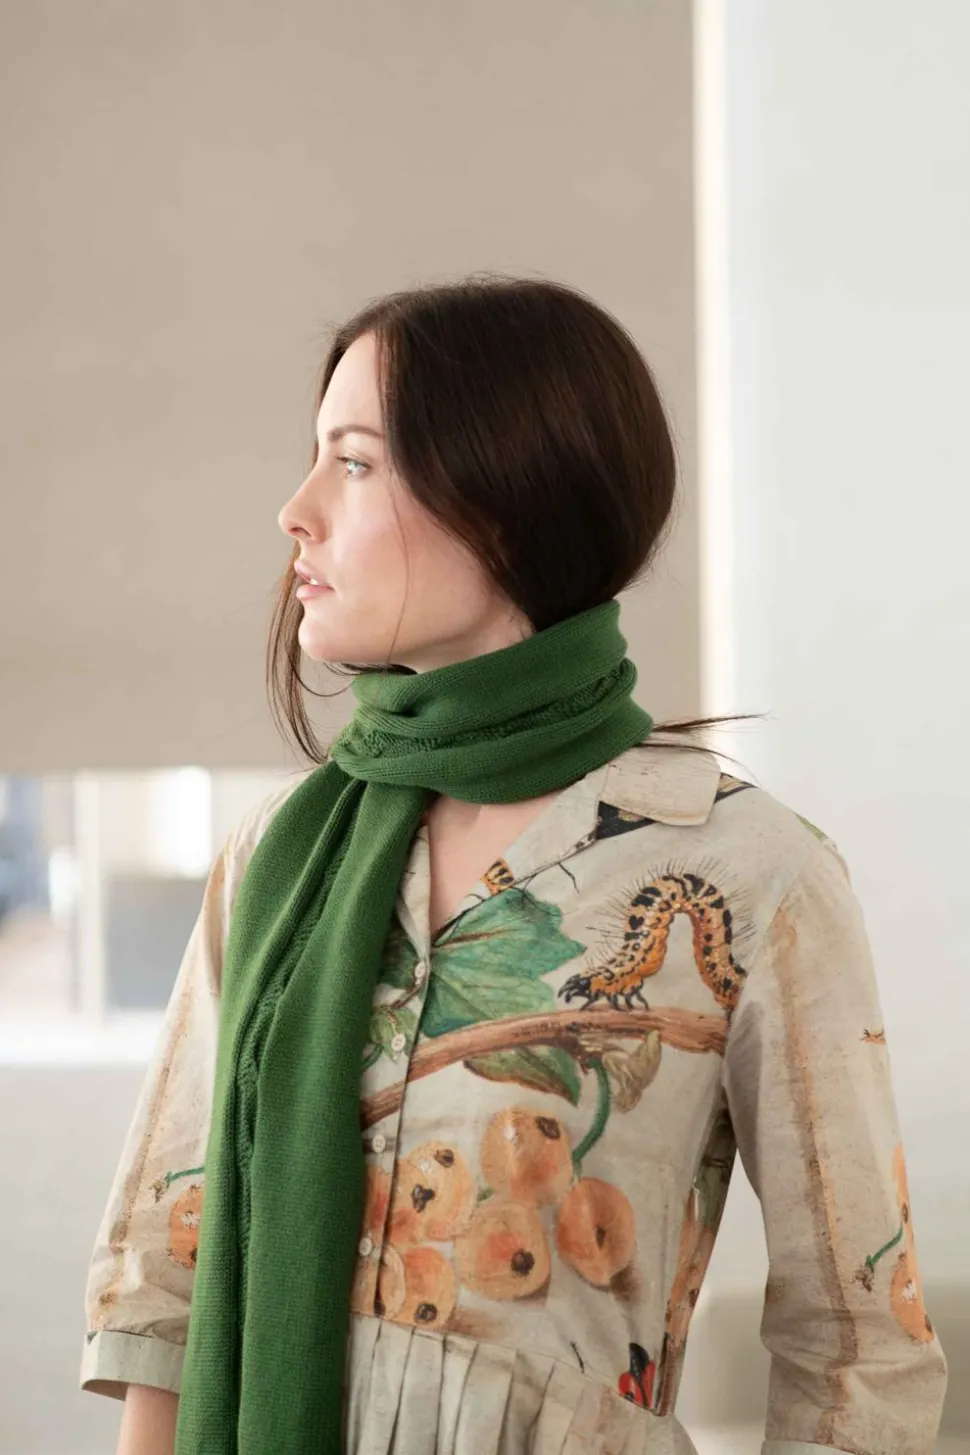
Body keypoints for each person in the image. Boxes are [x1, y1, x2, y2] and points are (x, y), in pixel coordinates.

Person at [80, 278, 947, 1455]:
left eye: (353, 463)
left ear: (503, 499)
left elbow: (857, 1348)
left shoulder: (745, 872)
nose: (295, 511)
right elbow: (167, 1282)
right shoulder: (279, 857)